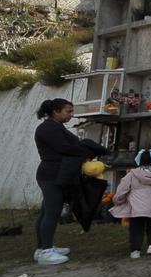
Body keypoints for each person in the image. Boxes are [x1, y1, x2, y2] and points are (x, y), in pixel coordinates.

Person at [33, 98, 103, 266]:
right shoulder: (48, 128)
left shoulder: (56, 127)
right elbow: (65, 148)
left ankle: (43, 247)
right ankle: (46, 252)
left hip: (55, 174)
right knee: (52, 213)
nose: (71, 115)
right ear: (56, 111)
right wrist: (87, 150)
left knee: (46, 212)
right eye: (68, 111)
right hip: (51, 175)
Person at [110, 148, 151, 259]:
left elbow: (122, 189)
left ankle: (135, 251)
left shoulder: (132, 174)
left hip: (137, 208)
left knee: (136, 229)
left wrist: (118, 200)